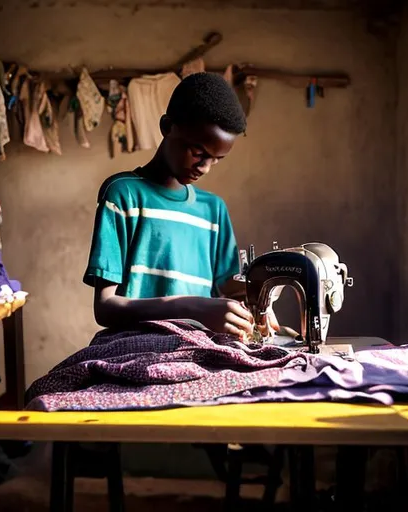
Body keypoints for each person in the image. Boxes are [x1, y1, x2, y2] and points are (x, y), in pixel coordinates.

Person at [83, 72, 277, 337]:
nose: (205, 168)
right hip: (135, 345)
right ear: (167, 127)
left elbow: (231, 289)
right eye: (198, 153)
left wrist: (257, 300)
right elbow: (105, 308)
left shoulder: (213, 210)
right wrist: (192, 308)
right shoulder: (123, 195)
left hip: (197, 347)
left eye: (216, 159)